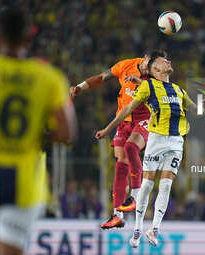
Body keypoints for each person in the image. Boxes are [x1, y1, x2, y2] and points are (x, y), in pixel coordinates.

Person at [95, 50, 205, 247]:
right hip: (156, 140)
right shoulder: (147, 86)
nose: (169, 61)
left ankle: (154, 230)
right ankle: (137, 230)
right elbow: (127, 109)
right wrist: (108, 128)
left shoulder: (178, 90)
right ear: (155, 68)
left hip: (176, 142)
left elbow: (195, 110)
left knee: (165, 186)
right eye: (164, 60)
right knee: (147, 186)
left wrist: (204, 107)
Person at [0, 6, 76, 255]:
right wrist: (36, 134)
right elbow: (66, 134)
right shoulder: (49, 78)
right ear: (29, 38)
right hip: (25, 183)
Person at [70, 51, 164, 229]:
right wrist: (80, 87)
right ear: (144, 59)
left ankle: (136, 195)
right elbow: (102, 77)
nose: (150, 69)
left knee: (131, 147)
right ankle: (117, 215)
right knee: (121, 163)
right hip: (124, 119)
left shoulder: (156, 76)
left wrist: (107, 129)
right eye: (149, 65)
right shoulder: (125, 65)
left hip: (146, 118)